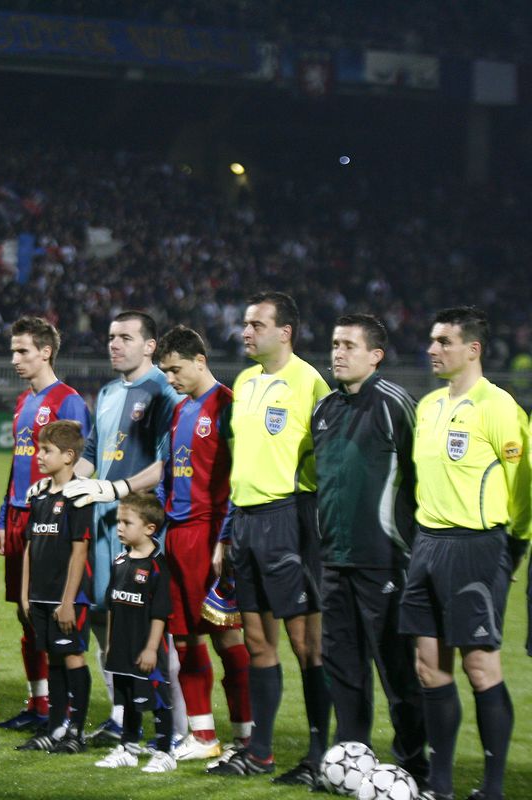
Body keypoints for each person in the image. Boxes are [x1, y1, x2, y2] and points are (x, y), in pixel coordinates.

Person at [398, 307, 530, 800]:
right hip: (427, 545)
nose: (433, 349)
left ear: (471, 349)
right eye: (432, 340)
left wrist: (513, 545)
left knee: (480, 667)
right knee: (428, 666)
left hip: (477, 546)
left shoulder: (499, 407)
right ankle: (442, 785)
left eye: (444, 341)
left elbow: (524, 487)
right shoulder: (428, 405)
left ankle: (492, 789)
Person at [207, 291, 331, 784]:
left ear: (285, 332)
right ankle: (260, 752)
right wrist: (229, 532)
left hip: (292, 518)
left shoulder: (311, 384)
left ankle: (320, 754)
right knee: (257, 640)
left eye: (257, 324)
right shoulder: (244, 382)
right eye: (245, 323)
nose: (245, 331)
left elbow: (327, 463)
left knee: (307, 644)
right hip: (248, 522)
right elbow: (243, 465)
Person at [311, 314, 428, 783]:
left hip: (385, 559)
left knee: (397, 670)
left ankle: (413, 764)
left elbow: (423, 479)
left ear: (375, 356)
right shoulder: (323, 410)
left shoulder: (396, 404)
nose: (337, 353)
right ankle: (350, 764)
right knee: (343, 670)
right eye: (335, 344)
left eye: (348, 346)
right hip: (334, 561)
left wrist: (415, 549)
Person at [59, 310, 181, 744]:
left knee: (147, 624)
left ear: (150, 345)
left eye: (125, 337)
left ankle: (176, 728)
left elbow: (166, 463)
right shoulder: (109, 391)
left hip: (139, 522)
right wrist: (65, 484)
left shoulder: (165, 390)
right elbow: (92, 452)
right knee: (100, 616)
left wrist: (117, 489)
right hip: (103, 519)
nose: (114, 344)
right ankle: (120, 717)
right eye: (111, 336)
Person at [155, 326, 252, 763]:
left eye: (175, 369)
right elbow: (171, 475)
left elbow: (238, 478)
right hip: (175, 535)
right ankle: (202, 734)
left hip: (208, 534)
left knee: (227, 638)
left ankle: (247, 734)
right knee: (184, 638)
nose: (171, 378)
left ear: (199, 360)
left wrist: (226, 537)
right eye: (165, 371)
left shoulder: (227, 405)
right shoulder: (180, 411)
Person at [0, 316, 91, 732]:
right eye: (13, 350)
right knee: (26, 613)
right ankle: (39, 703)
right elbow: (18, 467)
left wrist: (62, 513)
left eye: (23, 351)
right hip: (18, 515)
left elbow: (83, 464)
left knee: (54, 613)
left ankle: (64, 709)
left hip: (49, 520)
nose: (15, 359)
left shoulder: (68, 400)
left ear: (46, 352)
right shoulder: (22, 402)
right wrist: (2, 516)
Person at [14, 421, 93, 755]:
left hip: (66, 598)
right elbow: (31, 546)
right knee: (54, 659)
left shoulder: (80, 496)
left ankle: (76, 731)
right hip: (39, 595)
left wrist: (68, 601)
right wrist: (24, 592)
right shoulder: (40, 494)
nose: (38, 455)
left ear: (69, 456)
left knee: (72, 656)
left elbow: (79, 550)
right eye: (38, 449)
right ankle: (55, 726)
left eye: (46, 450)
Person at [96, 492, 176, 774]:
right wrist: (108, 645)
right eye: (118, 521)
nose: (119, 527)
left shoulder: (157, 566)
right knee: (127, 698)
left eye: (126, 522)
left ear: (149, 528)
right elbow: (112, 605)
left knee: (157, 700)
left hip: (146, 648)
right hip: (120, 647)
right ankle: (129, 748)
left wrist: (152, 648)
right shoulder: (119, 562)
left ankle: (166, 752)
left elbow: (160, 613)